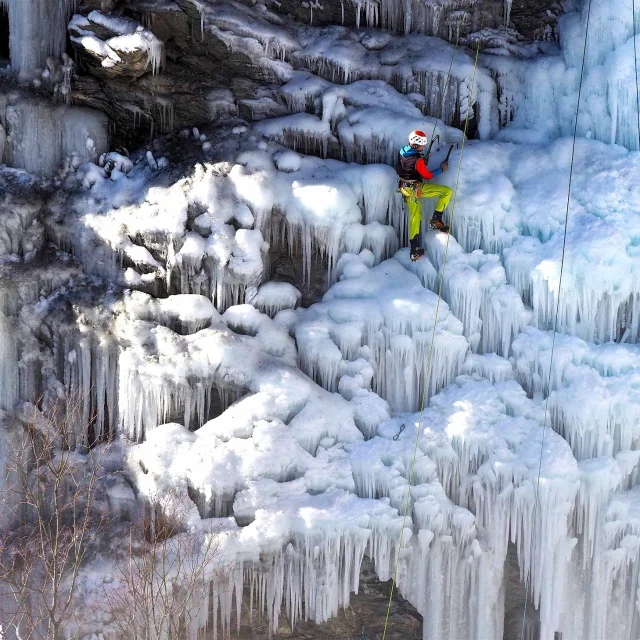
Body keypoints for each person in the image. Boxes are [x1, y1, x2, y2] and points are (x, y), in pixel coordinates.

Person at [397, 130, 452, 261]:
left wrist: (421, 161)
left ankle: (414, 248)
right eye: (423, 145)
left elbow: (408, 165)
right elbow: (427, 175)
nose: (424, 147)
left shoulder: (403, 150)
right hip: (415, 189)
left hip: (404, 188)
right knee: (446, 191)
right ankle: (436, 219)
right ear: (419, 145)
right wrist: (441, 169)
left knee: (415, 217)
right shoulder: (418, 160)